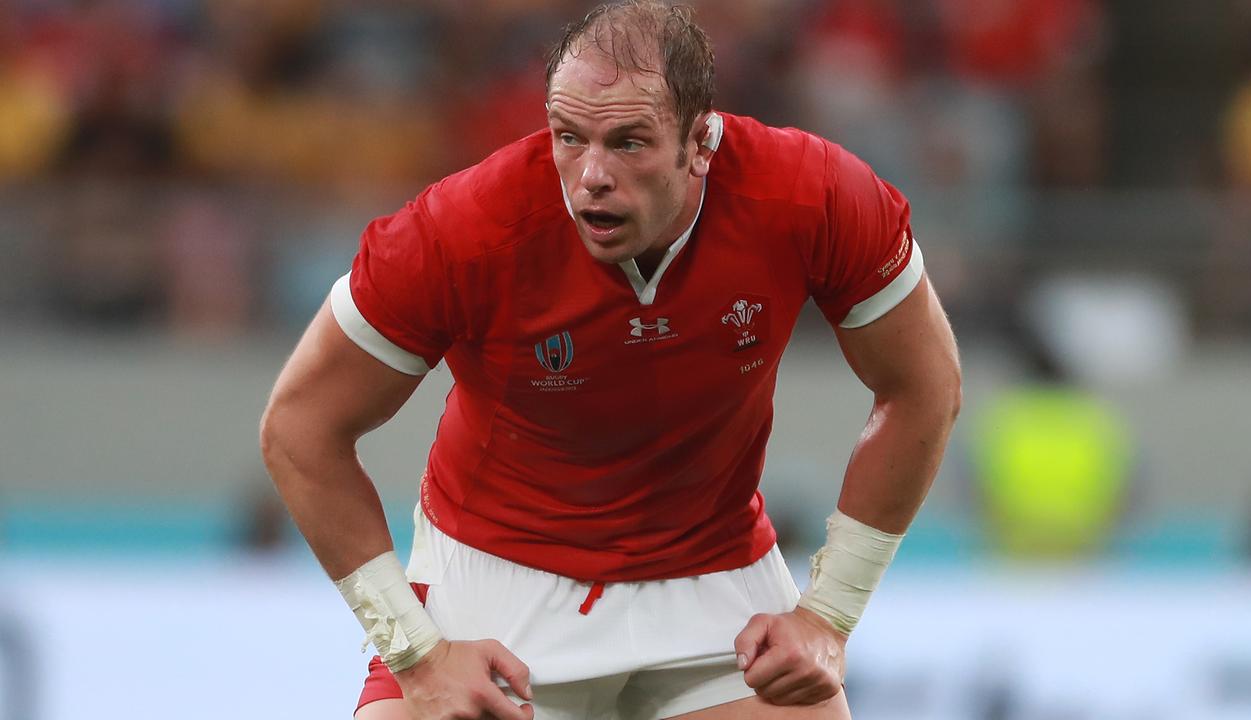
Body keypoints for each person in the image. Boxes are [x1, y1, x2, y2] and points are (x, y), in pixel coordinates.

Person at [259, 2, 961, 719]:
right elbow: (299, 426)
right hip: (496, 586)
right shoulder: (460, 230)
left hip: (718, 587)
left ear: (701, 141)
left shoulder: (814, 196)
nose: (590, 175)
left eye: (629, 142)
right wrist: (415, 651)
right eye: (569, 137)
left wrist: (830, 616)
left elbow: (924, 385)